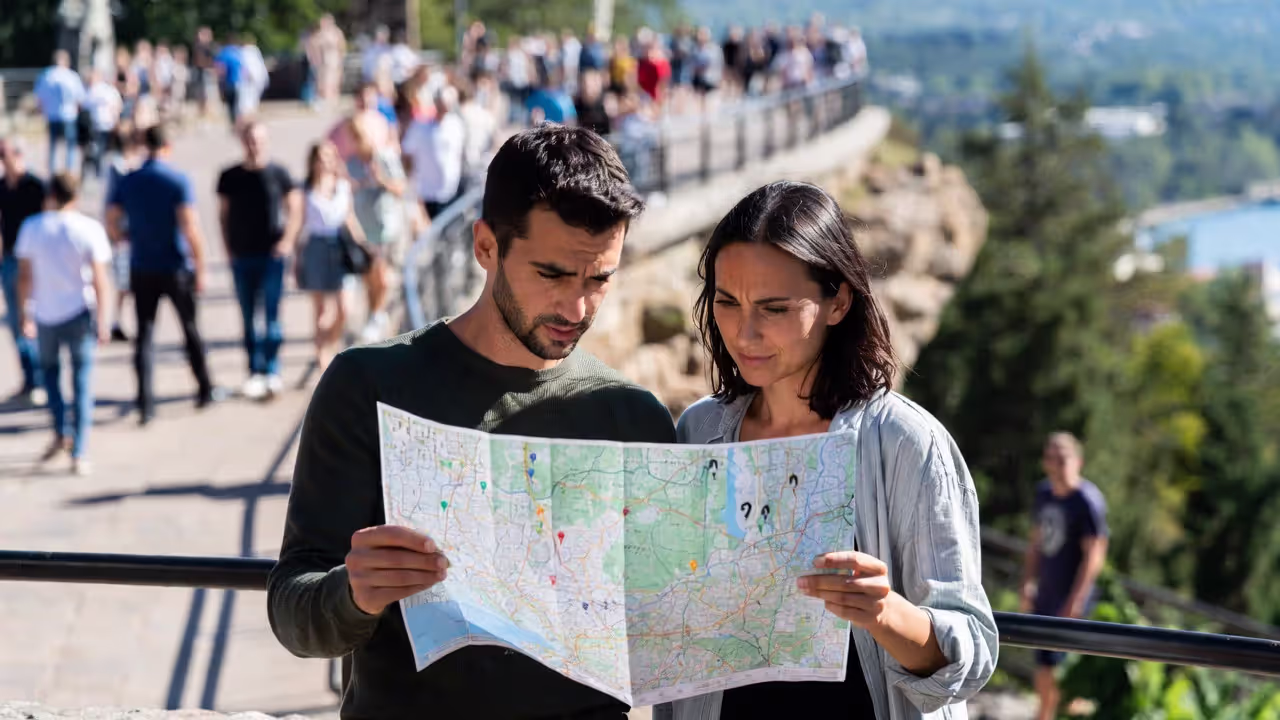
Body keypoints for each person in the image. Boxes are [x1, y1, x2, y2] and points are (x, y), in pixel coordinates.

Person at [267, 123, 675, 719]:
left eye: (600, 279)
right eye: (552, 274)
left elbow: (664, 631)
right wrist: (352, 593)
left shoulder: (634, 417)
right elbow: (292, 611)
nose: (577, 307)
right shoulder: (368, 386)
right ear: (486, 247)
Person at [658, 181, 997, 720]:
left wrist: (885, 613)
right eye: (726, 302)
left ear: (838, 301)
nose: (744, 333)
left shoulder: (906, 442)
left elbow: (971, 652)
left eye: (773, 308)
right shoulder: (699, 431)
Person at [106, 125, 217, 425]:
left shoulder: (129, 180)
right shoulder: (176, 179)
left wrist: (124, 237)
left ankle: (145, 403)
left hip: (142, 266)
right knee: (190, 329)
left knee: (144, 334)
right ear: (167, 145)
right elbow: (190, 226)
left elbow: (111, 218)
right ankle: (204, 388)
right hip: (175, 266)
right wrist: (201, 267)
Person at [14, 173, 112, 475]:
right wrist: (104, 320)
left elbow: (24, 277)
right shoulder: (88, 228)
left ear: (51, 195)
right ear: (76, 196)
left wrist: (24, 313)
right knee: (81, 382)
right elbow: (100, 280)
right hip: (79, 311)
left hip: (45, 313)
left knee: (51, 376)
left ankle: (61, 430)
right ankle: (79, 449)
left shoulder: (33, 227)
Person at [1020, 432, 1108, 720]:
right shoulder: (1044, 494)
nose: (1056, 465)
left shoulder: (1087, 501)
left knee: (1064, 674)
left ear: (1077, 462)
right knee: (1044, 666)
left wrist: (1077, 600)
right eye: (1050, 458)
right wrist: (1027, 583)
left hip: (1071, 597)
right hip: (1046, 592)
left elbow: (1094, 555)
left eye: (1062, 459)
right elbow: (1035, 543)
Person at [216, 122, 303, 400]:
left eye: (259, 140)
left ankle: (272, 369)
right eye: (250, 140)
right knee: (248, 316)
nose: (254, 145)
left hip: (271, 255)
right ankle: (254, 369)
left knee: (272, 316)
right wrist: (228, 248)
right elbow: (223, 215)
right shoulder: (230, 176)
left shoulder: (279, 173)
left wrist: (287, 241)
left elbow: (295, 208)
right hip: (243, 255)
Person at [295, 141, 366, 370]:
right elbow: (299, 224)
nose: (324, 162)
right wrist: (296, 258)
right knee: (321, 309)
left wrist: (363, 245)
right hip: (316, 247)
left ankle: (330, 342)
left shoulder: (342, 186)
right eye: (320, 158)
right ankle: (322, 354)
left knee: (345, 308)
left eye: (328, 157)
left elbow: (350, 218)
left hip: (340, 246)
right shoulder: (305, 189)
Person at [345, 116, 406, 343]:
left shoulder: (384, 158)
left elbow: (401, 188)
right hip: (363, 229)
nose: (359, 142)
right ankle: (375, 317)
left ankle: (376, 316)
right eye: (355, 137)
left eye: (362, 136)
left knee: (383, 278)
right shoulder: (351, 163)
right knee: (370, 279)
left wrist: (381, 180)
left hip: (385, 227)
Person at [0, 140, 48, 405]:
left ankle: (41, 380)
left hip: (32, 262)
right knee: (16, 323)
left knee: (33, 320)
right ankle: (29, 379)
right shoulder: (2, 187)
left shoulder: (35, 186)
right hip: (9, 260)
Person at [103, 123, 143, 343]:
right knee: (126, 282)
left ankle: (120, 321)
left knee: (127, 283)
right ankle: (119, 322)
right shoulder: (118, 167)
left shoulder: (126, 164)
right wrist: (115, 233)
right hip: (125, 233)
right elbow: (112, 204)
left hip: (130, 231)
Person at [402, 86, 466, 219]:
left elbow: (457, 154)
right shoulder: (419, 126)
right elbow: (406, 154)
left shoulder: (456, 125)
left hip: (450, 191)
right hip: (426, 193)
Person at [34, 50, 86, 175]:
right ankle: (69, 171)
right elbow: (80, 97)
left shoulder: (47, 75)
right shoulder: (71, 76)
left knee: (53, 145)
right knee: (70, 145)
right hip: (68, 115)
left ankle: (52, 171)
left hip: (52, 114)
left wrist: (42, 110)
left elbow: (39, 96)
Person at [81, 68, 123, 179]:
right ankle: (100, 172)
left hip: (103, 125)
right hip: (99, 125)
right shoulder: (100, 90)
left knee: (101, 150)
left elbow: (84, 106)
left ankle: (101, 171)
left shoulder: (97, 90)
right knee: (100, 150)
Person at [215, 35, 244, 126]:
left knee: (230, 106)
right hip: (239, 82)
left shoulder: (223, 53)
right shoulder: (239, 52)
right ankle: (239, 123)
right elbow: (244, 69)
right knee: (238, 105)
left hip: (228, 83)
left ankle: (234, 124)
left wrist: (220, 85)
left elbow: (221, 70)